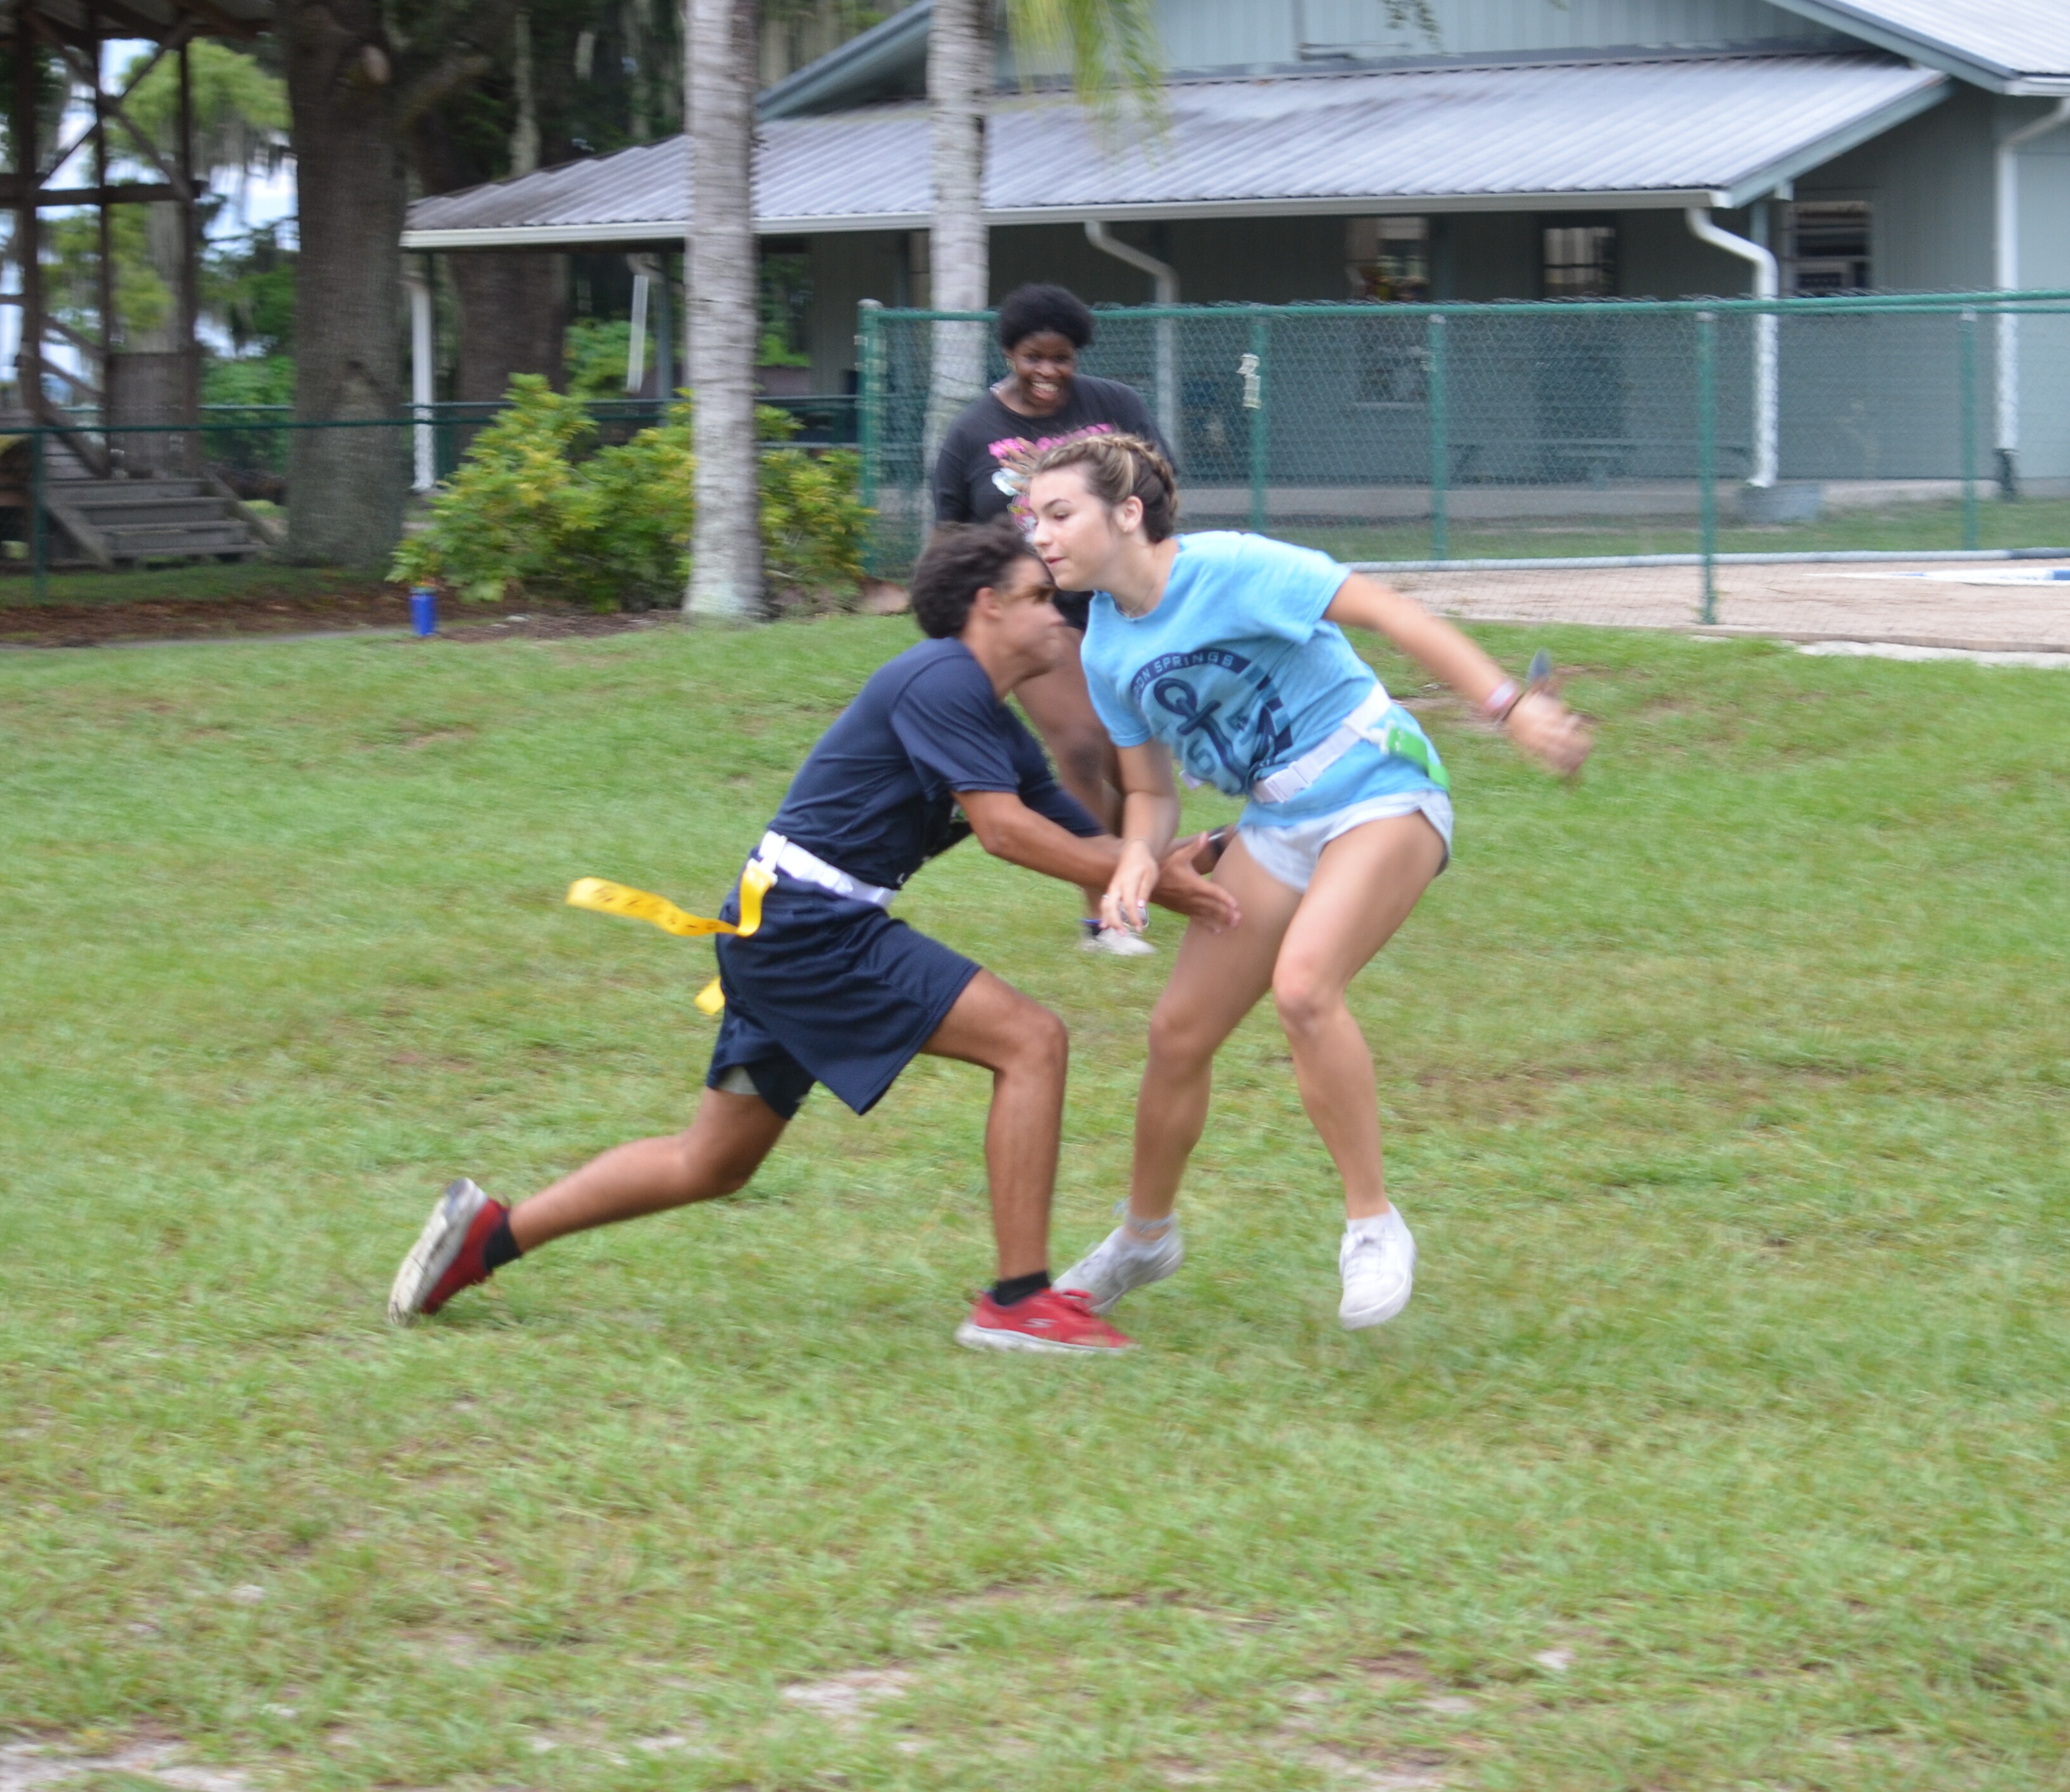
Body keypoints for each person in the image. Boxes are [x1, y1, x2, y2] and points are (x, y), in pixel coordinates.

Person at [384, 523, 1239, 1356]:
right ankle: (1016, 1304)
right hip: (808, 928)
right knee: (1031, 1040)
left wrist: (1221, 851)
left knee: (712, 1163)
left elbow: (1103, 851)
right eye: (1041, 598)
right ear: (988, 604)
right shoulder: (940, 678)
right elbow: (1007, 833)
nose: (1062, 617)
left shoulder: (991, 722)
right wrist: (1152, 877)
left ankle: (487, 1238)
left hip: (781, 929)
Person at [1015, 432, 1592, 1330]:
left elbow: (1392, 613)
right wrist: (1135, 855)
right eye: (1032, 520)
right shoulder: (1105, 649)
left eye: (1059, 514)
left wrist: (1509, 709)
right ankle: (1144, 1237)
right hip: (1277, 821)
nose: (1039, 536)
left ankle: (1373, 1225)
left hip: (1378, 782)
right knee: (1177, 1033)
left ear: (1126, 514)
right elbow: (1151, 791)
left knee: (1304, 988)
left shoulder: (1232, 567)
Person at [929, 282, 1171, 955]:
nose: (1048, 372)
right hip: (1033, 611)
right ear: (1009, 353)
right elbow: (949, 535)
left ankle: (1137, 877)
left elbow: (1157, 490)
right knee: (1081, 746)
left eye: (1061, 358)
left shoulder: (1115, 406)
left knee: (1132, 766)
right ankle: (1103, 917)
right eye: (1033, 357)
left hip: (1119, 602)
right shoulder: (971, 433)